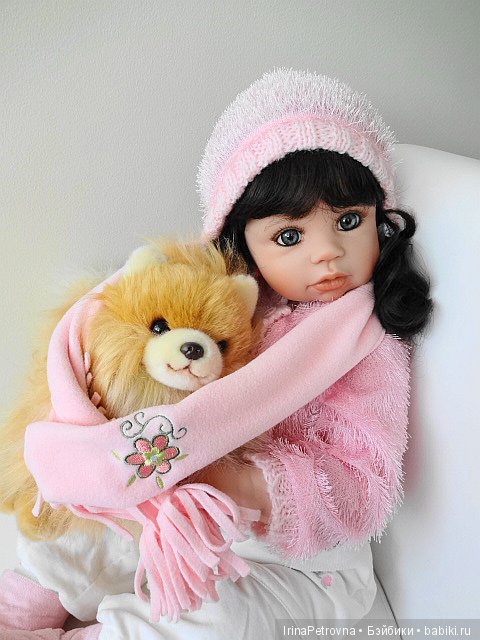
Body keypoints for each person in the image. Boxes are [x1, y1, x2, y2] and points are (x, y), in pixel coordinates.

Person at [1, 69, 432, 639]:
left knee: (216, 618)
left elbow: (364, 486)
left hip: (303, 565)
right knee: (81, 531)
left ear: (381, 216)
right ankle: (20, 610)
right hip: (193, 511)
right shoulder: (232, 305)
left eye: (349, 222)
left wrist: (235, 483)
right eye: (289, 236)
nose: (328, 252)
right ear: (240, 239)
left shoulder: (362, 345)